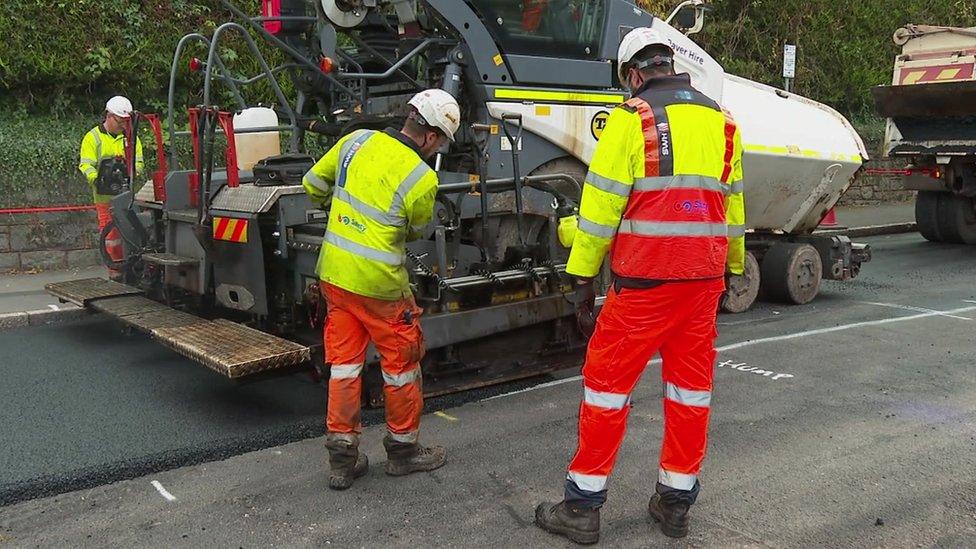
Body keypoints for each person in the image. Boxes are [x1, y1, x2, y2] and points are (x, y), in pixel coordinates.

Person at [534, 27, 746, 545]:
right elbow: (733, 208)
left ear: (633, 75)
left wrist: (580, 276)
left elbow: (601, 209)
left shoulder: (632, 121)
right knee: (690, 394)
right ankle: (675, 504)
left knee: (607, 392)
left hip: (643, 286)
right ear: (672, 65)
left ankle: (582, 507)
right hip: (702, 285)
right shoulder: (724, 125)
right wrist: (733, 269)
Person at [301, 89, 461, 490]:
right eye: (440, 140)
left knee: (345, 367)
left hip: (335, 278)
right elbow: (415, 229)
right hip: (381, 289)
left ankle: (342, 460)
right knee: (402, 369)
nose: (437, 148)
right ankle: (403, 452)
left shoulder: (355, 141)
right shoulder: (422, 177)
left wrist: (340, 212)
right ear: (429, 137)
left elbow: (312, 184)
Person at [78, 96, 143, 280]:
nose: (124, 125)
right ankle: (115, 274)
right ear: (109, 116)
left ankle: (132, 272)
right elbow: (85, 165)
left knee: (132, 235)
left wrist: (130, 173)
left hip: (127, 198)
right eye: (120, 121)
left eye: (126, 122)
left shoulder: (130, 138)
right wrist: (97, 179)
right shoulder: (93, 138)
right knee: (112, 238)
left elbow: (139, 162)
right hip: (105, 200)